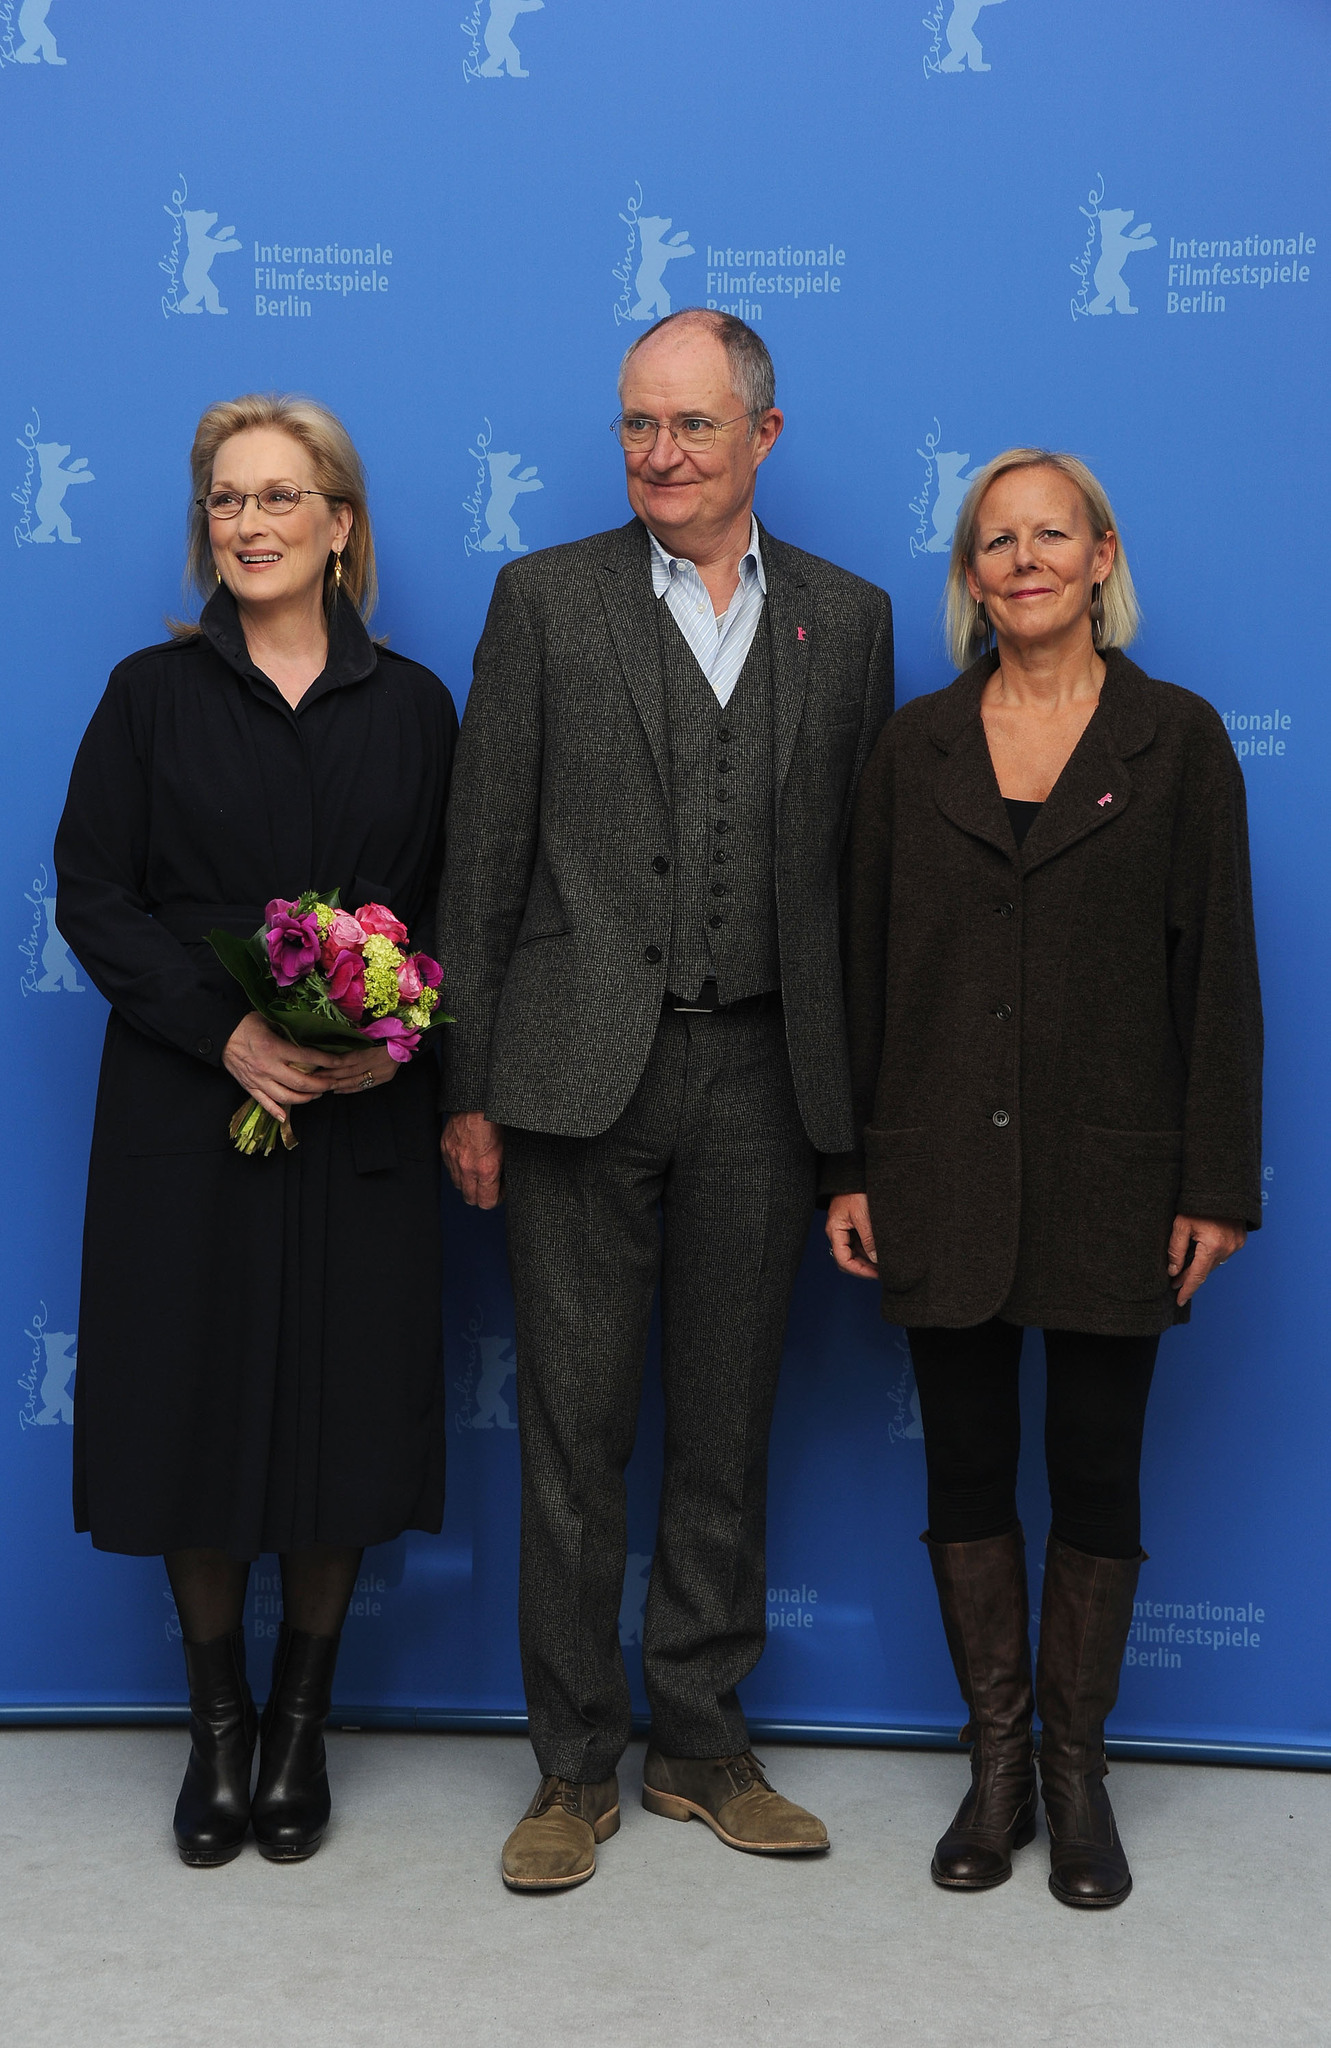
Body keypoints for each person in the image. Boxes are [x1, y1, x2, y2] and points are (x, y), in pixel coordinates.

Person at [438, 310, 893, 1890]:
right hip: (571, 1082)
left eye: (693, 427)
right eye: (639, 425)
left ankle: (703, 1741)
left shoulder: (851, 618)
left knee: (725, 1427)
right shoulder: (543, 600)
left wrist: (852, 1134)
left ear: (764, 436)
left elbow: (851, 891)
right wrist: (470, 1087)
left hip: (767, 1075)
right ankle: (572, 1771)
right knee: (572, 1437)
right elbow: (481, 859)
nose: (660, 454)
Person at [825, 448, 1262, 1909]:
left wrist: (1216, 1184)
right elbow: (861, 974)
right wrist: (850, 1164)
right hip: (936, 1163)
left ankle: (1077, 1780)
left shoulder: (1180, 743)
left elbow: (1222, 984)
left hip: (1115, 1176)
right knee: (962, 1470)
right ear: (968, 576)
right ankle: (996, 1769)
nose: (1022, 559)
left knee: (1095, 1470)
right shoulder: (913, 751)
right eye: (993, 540)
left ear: (1100, 557)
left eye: (1049, 535)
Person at [54, 394, 457, 1867]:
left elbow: (451, 909)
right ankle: (216, 1726)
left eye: (283, 497)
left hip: (358, 1116)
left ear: (339, 524)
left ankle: (302, 1727)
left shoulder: (416, 706)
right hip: (185, 1100)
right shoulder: (144, 699)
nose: (252, 523)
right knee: (196, 1399)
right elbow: (92, 892)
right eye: (228, 500)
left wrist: (392, 1032)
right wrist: (222, 1030)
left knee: (346, 1402)